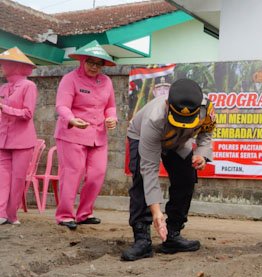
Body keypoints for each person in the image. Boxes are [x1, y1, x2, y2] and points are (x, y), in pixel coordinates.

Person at [121, 78, 216, 261]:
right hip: (142, 136)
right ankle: (142, 239)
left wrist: (202, 155)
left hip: (179, 142)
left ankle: (173, 235)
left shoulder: (207, 109)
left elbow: (206, 133)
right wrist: (157, 212)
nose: (182, 123)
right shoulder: (154, 118)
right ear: (167, 103)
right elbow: (149, 170)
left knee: (186, 178)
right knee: (141, 181)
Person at [53, 40, 118, 230]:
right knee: (73, 173)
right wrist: (71, 119)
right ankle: (65, 215)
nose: (94, 67)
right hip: (72, 133)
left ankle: (85, 213)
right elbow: (62, 106)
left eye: (99, 64)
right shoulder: (70, 79)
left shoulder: (106, 81)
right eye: (90, 62)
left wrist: (112, 117)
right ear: (82, 61)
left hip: (98, 135)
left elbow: (111, 106)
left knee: (97, 174)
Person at [0, 47, 38, 225]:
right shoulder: (4, 87)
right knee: (2, 178)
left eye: (5, 63)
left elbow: (28, 113)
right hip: (3, 139)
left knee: (17, 179)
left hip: (22, 141)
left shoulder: (29, 86)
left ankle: (12, 215)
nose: (2, 66)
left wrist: (4, 108)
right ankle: (1, 213)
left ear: (14, 66)